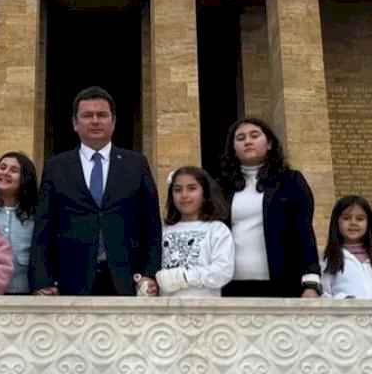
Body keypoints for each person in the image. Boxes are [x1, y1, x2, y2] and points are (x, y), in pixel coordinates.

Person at [31, 86, 162, 296]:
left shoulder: (136, 164)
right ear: (75, 123)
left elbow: (152, 225)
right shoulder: (57, 166)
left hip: (127, 279)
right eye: (87, 115)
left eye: (102, 115)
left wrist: (150, 273)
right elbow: (43, 227)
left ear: (113, 121)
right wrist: (42, 280)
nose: (95, 120)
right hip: (71, 280)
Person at [216, 117, 322, 298]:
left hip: (282, 284)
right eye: (240, 138)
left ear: (270, 143)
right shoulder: (221, 187)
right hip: (230, 287)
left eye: (254, 135)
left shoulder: (290, 181)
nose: (247, 141)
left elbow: (303, 232)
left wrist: (311, 282)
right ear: (233, 148)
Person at [155, 167, 234, 298]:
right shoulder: (163, 231)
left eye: (192, 188)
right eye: (178, 190)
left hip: (205, 311)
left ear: (205, 194)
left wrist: (186, 277)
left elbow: (223, 271)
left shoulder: (217, 230)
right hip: (166, 312)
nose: (184, 195)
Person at [320, 195, 372, 299]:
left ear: (369, 223)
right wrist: (342, 299)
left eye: (360, 219)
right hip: (346, 314)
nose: (353, 223)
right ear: (336, 222)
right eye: (346, 218)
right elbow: (325, 293)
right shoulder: (329, 258)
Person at [0, 152, 39, 294]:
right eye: (2, 167)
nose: (5, 173)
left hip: (25, 292)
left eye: (14, 170)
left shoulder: (35, 215)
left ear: (25, 178)